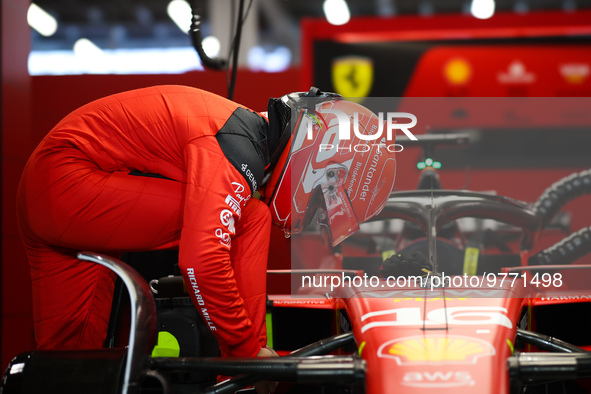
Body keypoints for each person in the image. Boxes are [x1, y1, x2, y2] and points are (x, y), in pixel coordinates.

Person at [16, 85, 397, 393]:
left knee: (69, 365)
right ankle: (246, 361)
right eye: (322, 204)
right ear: (322, 159)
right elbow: (201, 259)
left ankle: (247, 358)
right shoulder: (234, 147)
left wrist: (249, 351)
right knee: (251, 215)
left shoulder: (237, 135)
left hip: (48, 186)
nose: (313, 218)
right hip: (68, 179)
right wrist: (248, 352)